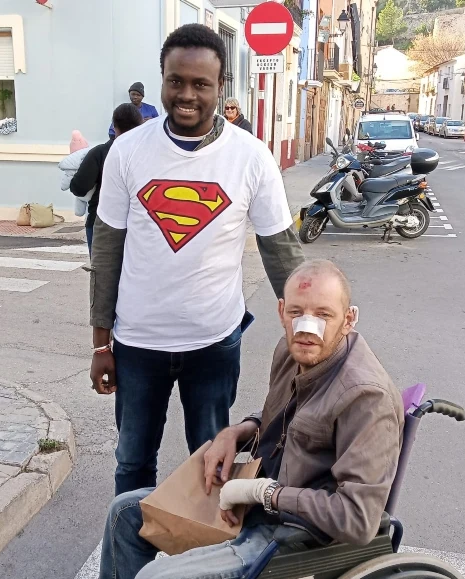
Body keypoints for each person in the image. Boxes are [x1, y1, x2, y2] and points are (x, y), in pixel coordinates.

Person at [90, 24, 305, 496]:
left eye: (201, 84)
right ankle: (132, 564)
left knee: (211, 466)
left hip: (213, 345)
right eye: (176, 81)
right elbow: (106, 252)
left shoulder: (251, 158)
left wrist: (312, 333)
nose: (187, 95)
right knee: (132, 466)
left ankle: (199, 561)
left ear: (221, 87)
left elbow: (282, 255)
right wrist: (100, 343)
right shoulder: (127, 152)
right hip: (137, 346)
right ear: (162, 80)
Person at [98, 260, 403, 579]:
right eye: (297, 313)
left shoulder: (367, 397)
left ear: (349, 319)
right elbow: (287, 417)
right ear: (281, 311)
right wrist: (237, 432)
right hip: (257, 505)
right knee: (125, 513)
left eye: (323, 315)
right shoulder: (290, 351)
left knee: (156, 578)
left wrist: (262, 493)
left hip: (295, 535)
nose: (307, 328)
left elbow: (358, 518)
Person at [71, 104, 144, 254]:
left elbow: (79, 187)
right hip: (139, 225)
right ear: (140, 125)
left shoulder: (99, 153)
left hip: (102, 223)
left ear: (114, 125)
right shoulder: (147, 155)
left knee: (103, 274)